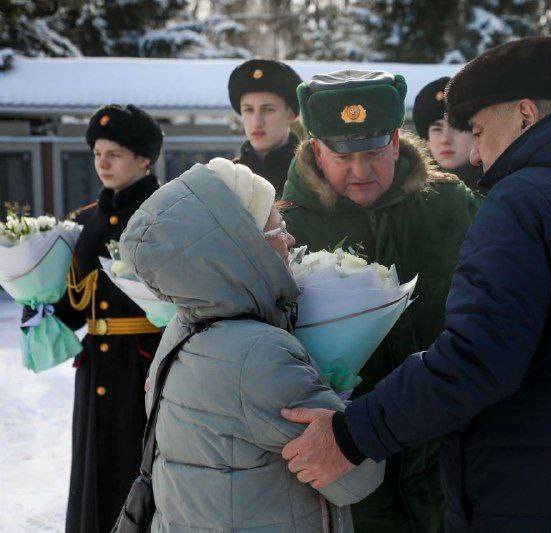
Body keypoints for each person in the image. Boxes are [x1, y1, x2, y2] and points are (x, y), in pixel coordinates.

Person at [280, 36, 551, 531]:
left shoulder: (521, 201)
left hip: (536, 492)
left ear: (524, 114)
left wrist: (350, 435)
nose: (474, 154)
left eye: (477, 129)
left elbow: (480, 358)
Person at [118, 157, 384, 532]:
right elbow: (355, 478)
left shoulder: (182, 329)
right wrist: (340, 401)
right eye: (278, 228)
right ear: (244, 248)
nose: (290, 240)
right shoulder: (260, 356)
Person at [281, 70, 481, 532]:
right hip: (340, 466)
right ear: (316, 151)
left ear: (395, 142)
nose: (361, 171)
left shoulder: (450, 206)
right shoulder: (284, 227)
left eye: (374, 153)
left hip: (450, 457)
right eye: (342, 157)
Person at [49, 104, 164, 532]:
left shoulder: (165, 213)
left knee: (140, 471)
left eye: (114, 153)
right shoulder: (86, 221)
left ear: (144, 159)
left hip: (145, 367)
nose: (102, 163)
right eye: (97, 153)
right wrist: (36, 301)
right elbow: (73, 302)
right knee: (93, 471)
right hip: (95, 365)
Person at [228, 59, 303, 196]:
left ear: (291, 114)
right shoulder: (226, 178)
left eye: (268, 110)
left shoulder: (312, 176)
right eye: (248, 110)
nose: (257, 122)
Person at [413, 76, 482, 190]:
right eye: (437, 129)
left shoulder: (502, 192)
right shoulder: (410, 196)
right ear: (426, 140)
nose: (445, 139)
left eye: (456, 127)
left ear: (476, 134)